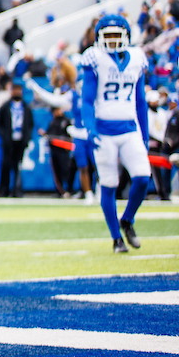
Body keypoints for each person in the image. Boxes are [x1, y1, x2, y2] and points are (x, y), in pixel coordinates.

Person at [78, 14, 151, 252]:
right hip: (104, 129)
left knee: (142, 176)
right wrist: (90, 128)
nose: (111, 41)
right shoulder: (94, 58)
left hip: (129, 127)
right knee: (109, 184)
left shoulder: (137, 59)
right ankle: (116, 238)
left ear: (126, 37)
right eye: (106, 36)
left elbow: (140, 101)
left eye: (115, 36)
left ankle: (127, 219)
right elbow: (87, 101)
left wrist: (146, 134)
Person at [0, 80, 33, 198]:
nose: (17, 92)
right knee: (6, 165)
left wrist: (26, 138)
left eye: (18, 89)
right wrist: (4, 136)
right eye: (15, 89)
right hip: (8, 141)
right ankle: (4, 190)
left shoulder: (26, 107)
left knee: (18, 166)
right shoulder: (6, 107)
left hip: (20, 141)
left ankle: (17, 190)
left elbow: (30, 124)